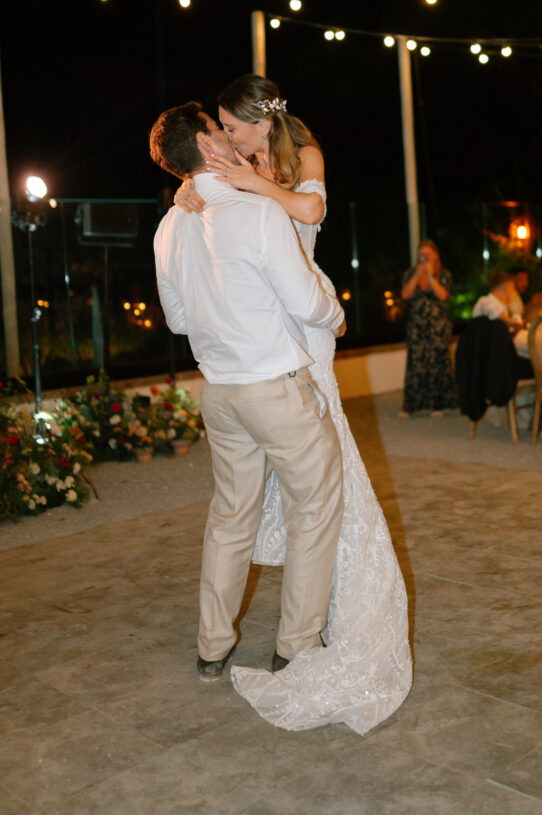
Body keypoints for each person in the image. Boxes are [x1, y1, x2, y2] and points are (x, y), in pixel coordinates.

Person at [174, 75, 411, 735]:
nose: (227, 138)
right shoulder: (237, 162)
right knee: (290, 482)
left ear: (261, 122)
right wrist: (191, 190)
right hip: (263, 326)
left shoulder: (303, 157)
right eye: (221, 129)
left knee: (317, 471)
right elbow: (209, 205)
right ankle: (297, 619)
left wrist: (249, 184)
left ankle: (316, 612)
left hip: (304, 321)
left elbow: (306, 213)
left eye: (234, 126)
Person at [150, 100, 345, 692]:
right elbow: (305, 301)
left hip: (221, 394)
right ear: (209, 145)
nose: (227, 134)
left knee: (229, 519)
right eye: (218, 127)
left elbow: (179, 321)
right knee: (312, 510)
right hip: (274, 391)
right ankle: (297, 646)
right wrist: (334, 315)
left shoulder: (169, 226)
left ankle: (212, 648)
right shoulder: (259, 212)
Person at [400, 239, 456, 416]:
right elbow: (405, 295)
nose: (424, 257)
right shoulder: (411, 273)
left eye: (428, 254)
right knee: (416, 362)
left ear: (435, 255)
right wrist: (417, 276)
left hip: (437, 325)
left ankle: (437, 404)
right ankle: (411, 404)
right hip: (417, 324)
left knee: (437, 363)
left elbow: (443, 295)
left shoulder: (444, 274)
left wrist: (431, 277)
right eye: (421, 254)